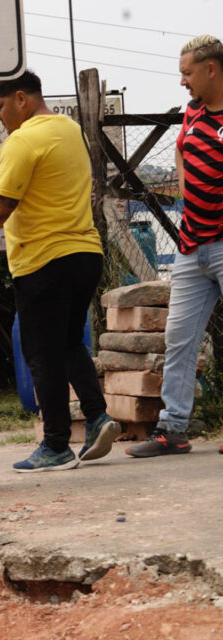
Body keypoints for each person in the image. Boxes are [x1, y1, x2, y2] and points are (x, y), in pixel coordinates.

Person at [0, 70, 121, 472]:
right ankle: (97, 417)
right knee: (67, 343)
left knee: (41, 354)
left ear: (21, 98)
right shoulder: (68, 128)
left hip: (44, 259)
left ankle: (56, 444)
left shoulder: (23, 140)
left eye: (0, 107)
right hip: (85, 253)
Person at [128, 35, 223, 458]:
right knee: (179, 338)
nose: (182, 80)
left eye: (187, 72)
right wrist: (187, 192)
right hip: (191, 245)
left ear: (211, 69)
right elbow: (184, 154)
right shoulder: (193, 112)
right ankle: (173, 429)